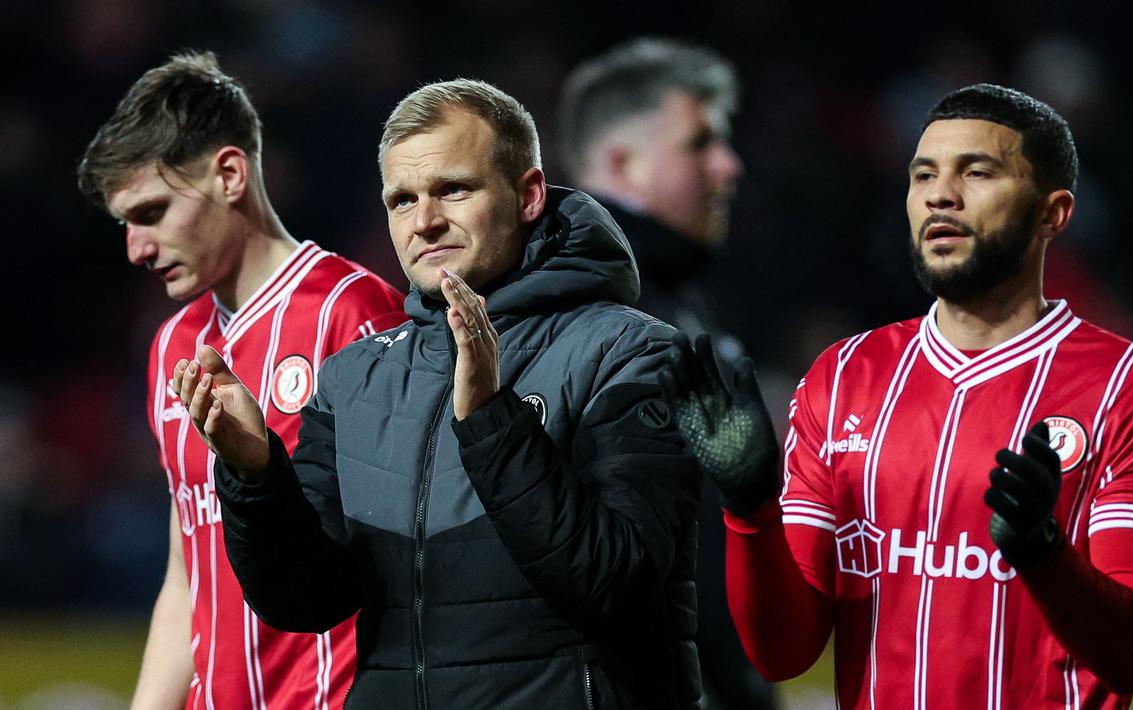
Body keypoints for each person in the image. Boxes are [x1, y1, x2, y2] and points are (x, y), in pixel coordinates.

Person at [660, 84, 1133, 709]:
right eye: (924, 175)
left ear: (1053, 213)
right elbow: (783, 652)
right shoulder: (842, 378)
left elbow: (1132, 654)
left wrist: (1042, 551)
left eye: (978, 171)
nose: (940, 194)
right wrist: (751, 507)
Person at [174, 79, 703, 708]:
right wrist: (256, 474)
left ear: (528, 194)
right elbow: (306, 600)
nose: (424, 221)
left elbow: (615, 584)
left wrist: (490, 420)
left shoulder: (633, 354)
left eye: (453, 189)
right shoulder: (355, 380)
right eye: (402, 200)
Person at [77, 51, 406, 709]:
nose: (135, 249)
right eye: (125, 225)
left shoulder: (352, 313)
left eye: (152, 213)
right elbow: (186, 574)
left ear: (229, 173)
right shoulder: (173, 344)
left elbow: (402, 564)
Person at [559, 38, 776, 710]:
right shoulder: (593, 312)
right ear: (623, 161)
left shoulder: (673, 296)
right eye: (699, 143)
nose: (728, 166)